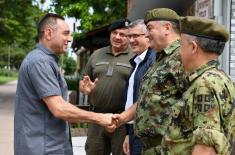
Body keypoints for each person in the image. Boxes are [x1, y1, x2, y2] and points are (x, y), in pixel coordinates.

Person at [14, 13, 114, 155]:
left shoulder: (47, 60)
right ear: (48, 33)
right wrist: (100, 118)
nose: (70, 39)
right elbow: (59, 109)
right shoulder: (40, 62)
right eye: (66, 33)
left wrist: (88, 92)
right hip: (43, 149)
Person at [161, 16, 235, 155]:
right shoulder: (221, 78)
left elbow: (206, 148)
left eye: (181, 45)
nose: (179, 52)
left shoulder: (204, 85)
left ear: (193, 47)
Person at [79, 18, 134, 155]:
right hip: (97, 117)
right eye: (114, 33)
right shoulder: (96, 55)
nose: (117, 37)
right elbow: (83, 82)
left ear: (129, 37)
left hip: (121, 119)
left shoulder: (135, 57)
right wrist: (85, 89)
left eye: (123, 34)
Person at [121, 19, 156, 155]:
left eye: (136, 36)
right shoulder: (137, 62)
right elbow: (131, 99)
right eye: (129, 36)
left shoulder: (153, 61)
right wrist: (127, 132)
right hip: (133, 129)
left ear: (148, 37)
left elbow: (146, 99)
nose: (131, 40)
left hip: (146, 132)